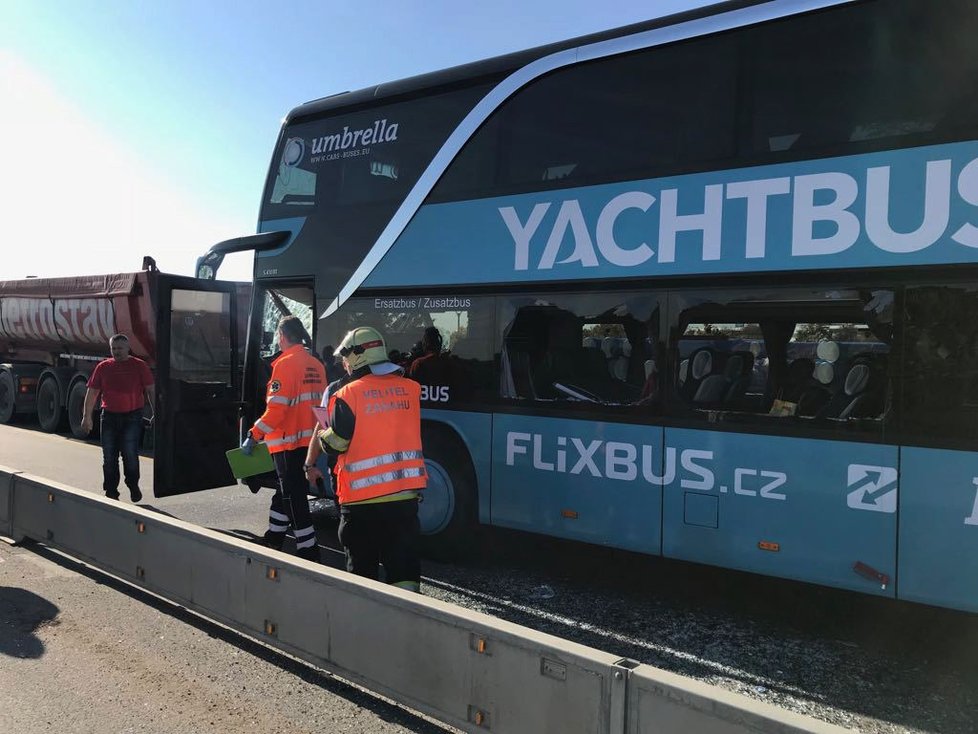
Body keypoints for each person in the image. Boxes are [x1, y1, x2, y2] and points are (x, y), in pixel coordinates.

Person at [304, 326, 426, 591]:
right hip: (404, 499)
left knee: (362, 575)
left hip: (362, 503)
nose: (344, 364)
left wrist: (322, 441)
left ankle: (367, 627)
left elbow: (335, 443)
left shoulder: (345, 394)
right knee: (404, 571)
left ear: (357, 356)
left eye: (346, 358)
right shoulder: (411, 389)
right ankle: (409, 624)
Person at [241, 315, 326, 562]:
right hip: (311, 443)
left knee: (292, 495)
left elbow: (277, 409)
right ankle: (274, 537)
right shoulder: (316, 364)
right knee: (285, 490)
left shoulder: (284, 364)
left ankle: (308, 550)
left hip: (288, 443)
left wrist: (253, 435)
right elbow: (323, 406)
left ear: (281, 337)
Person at [81, 333, 155, 503]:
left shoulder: (139, 366)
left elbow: (151, 390)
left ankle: (133, 485)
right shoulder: (103, 367)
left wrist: (154, 412)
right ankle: (111, 491)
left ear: (128, 348)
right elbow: (92, 393)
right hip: (108, 417)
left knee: (129, 454)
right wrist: (87, 417)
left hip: (132, 416)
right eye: (113, 348)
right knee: (109, 456)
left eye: (120, 348)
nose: (116, 351)